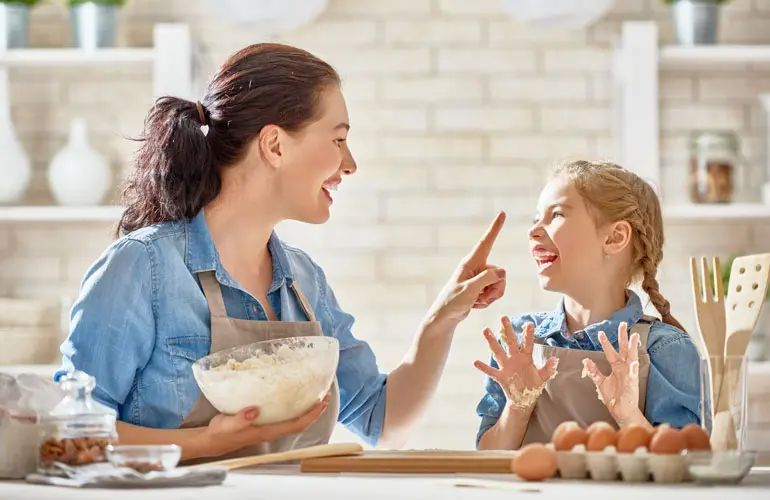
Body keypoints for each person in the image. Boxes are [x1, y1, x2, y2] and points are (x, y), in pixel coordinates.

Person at [56, 43, 508, 463]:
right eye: (337, 139)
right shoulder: (144, 267)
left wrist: (443, 319)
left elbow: (382, 423)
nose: (350, 163)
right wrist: (202, 442)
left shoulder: (304, 281)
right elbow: (70, 434)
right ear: (274, 145)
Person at [474, 160, 702, 451]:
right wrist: (517, 409)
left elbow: (681, 466)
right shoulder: (521, 342)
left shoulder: (666, 348)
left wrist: (629, 415)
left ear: (614, 237)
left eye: (555, 215)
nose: (533, 232)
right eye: (535, 219)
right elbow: (486, 458)